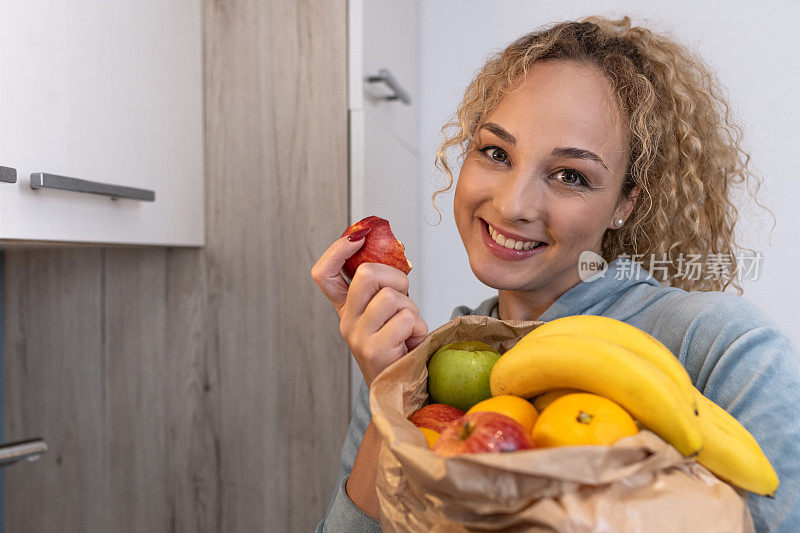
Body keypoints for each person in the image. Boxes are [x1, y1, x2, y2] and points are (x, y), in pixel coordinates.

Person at [311, 16, 800, 532]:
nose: (512, 204)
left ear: (625, 203)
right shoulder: (421, 359)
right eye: (495, 152)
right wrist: (394, 397)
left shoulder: (726, 347)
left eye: (571, 175)